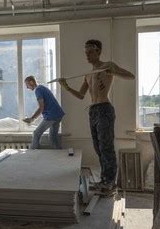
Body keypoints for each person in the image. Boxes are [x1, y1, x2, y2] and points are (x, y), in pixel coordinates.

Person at [58, 39, 135, 195]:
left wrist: (113, 72)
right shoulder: (88, 74)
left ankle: (110, 183)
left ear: (98, 51)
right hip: (93, 111)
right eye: (86, 52)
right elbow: (80, 95)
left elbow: (130, 76)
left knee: (106, 147)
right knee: (98, 147)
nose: (87, 55)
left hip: (105, 109)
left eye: (90, 52)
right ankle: (105, 180)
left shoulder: (108, 65)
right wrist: (66, 87)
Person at [24, 75, 65, 149]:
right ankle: (59, 153)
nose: (27, 88)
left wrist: (32, 119)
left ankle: (33, 153)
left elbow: (41, 108)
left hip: (52, 115)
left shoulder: (38, 90)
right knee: (53, 137)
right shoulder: (42, 87)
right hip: (58, 114)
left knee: (36, 133)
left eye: (27, 85)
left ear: (31, 82)